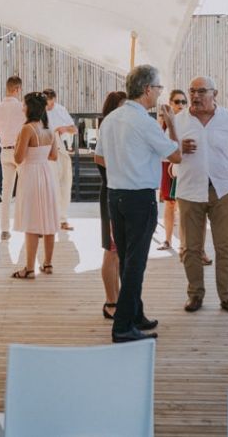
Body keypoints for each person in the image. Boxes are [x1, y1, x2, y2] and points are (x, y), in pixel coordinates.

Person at [97, 65, 182, 343]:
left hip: (115, 195)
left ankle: (135, 313)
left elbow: (100, 157)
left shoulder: (110, 119)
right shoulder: (144, 122)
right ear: (147, 90)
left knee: (126, 259)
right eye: (158, 88)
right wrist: (172, 124)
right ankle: (122, 326)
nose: (159, 93)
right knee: (135, 264)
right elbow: (177, 156)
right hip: (139, 197)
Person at [174, 76, 228, 315]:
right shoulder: (178, 120)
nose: (195, 96)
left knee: (225, 247)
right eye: (192, 91)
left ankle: (227, 297)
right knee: (190, 248)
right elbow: (166, 157)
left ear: (214, 93)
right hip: (189, 191)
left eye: (201, 91)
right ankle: (195, 295)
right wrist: (178, 150)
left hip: (223, 191)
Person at [11, 92, 60, 279]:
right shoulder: (50, 129)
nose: (22, 108)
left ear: (30, 108)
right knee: (48, 218)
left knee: (31, 220)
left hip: (31, 174)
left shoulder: (27, 129)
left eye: (24, 105)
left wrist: (17, 142)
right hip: (46, 174)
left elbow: (18, 157)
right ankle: (47, 264)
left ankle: (29, 268)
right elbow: (54, 156)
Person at [94, 91, 126, 320]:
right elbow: (98, 158)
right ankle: (111, 301)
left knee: (122, 252)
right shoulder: (107, 126)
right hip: (111, 191)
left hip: (123, 191)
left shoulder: (124, 128)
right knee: (111, 250)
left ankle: (121, 298)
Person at [0, 76, 25, 241]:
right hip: (21, 151)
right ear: (17, 89)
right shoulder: (22, 108)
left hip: (4, 151)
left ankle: (5, 229)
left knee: (6, 192)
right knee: (25, 190)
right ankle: (27, 225)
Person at [43, 88, 77, 230]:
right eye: (47, 104)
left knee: (65, 183)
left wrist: (63, 128)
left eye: (51, 104)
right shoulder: (38, 111)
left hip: (60, 147)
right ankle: (47, 218)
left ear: (54, 100)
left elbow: (74, 129)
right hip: (45, 148)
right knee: (50, 186)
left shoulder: (61, 110)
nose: (49, 107)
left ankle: (63, 219)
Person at [159, 89, 187, 252]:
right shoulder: (164, 122)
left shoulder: (189, 121)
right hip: (166, 164)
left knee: (183, 204)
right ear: (171, 103)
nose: (181, 105)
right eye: (177, 102)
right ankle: (167, 239)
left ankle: (184, 242)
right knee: (169, 204)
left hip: (181, 165)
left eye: (184, 102)